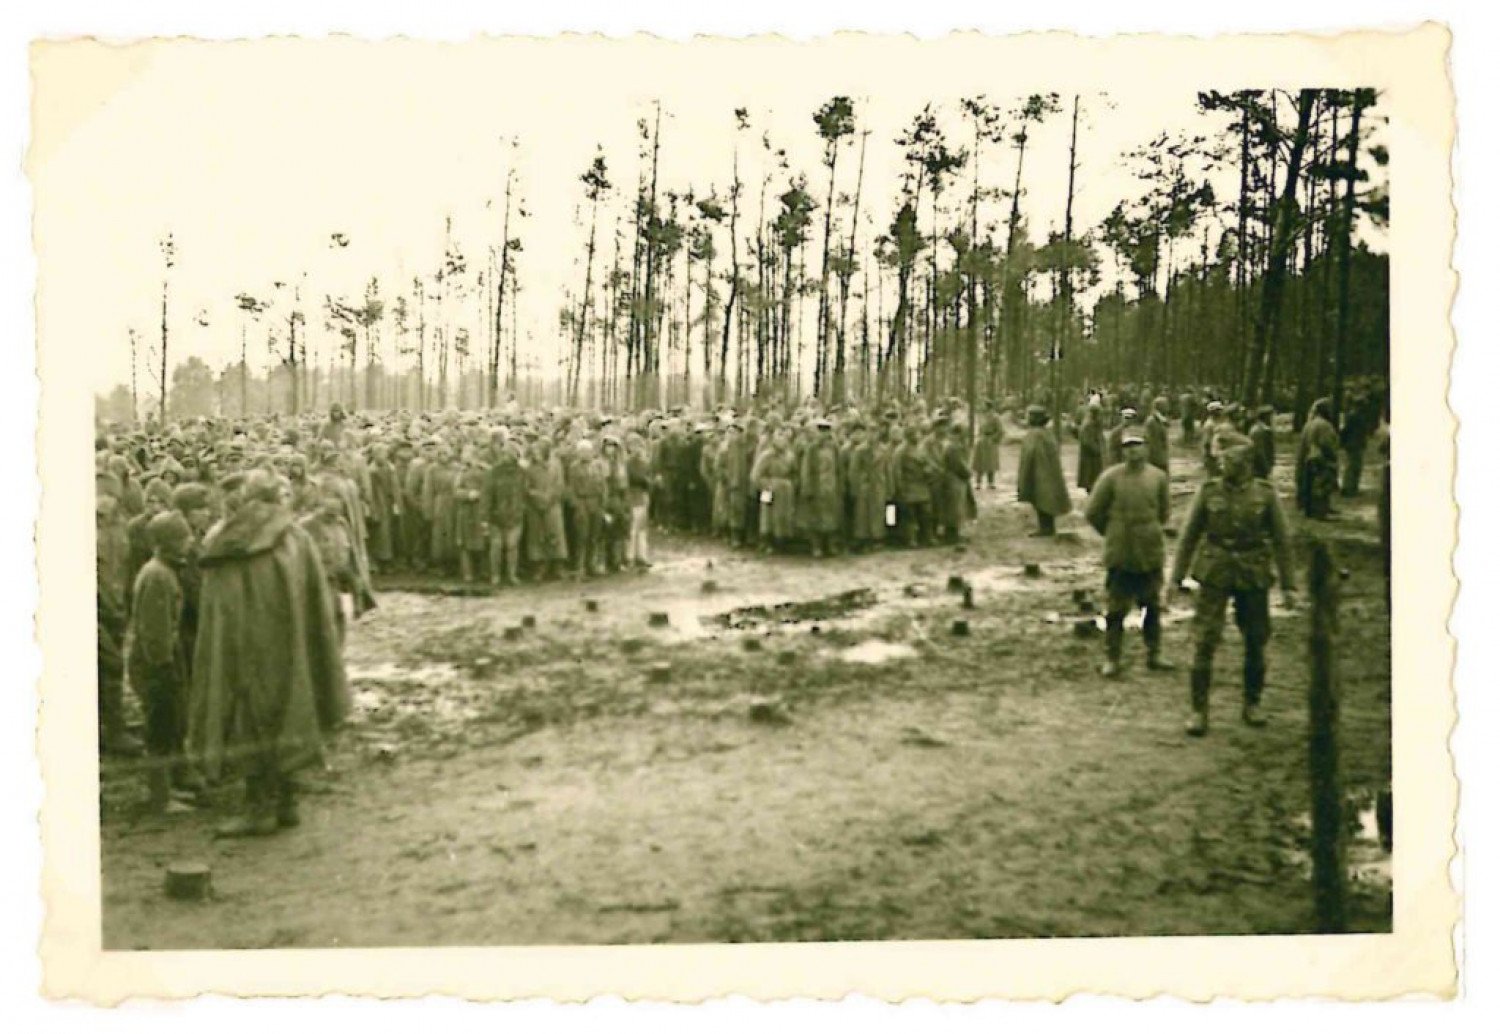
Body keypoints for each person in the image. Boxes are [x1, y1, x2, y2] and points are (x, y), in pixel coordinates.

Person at [189, 469, 348, 836]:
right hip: (289, 650)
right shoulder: (297, 537)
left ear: (245, 498)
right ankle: (287, 801)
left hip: (244, 654)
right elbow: (315, 603)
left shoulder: (223, 541)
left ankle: (259, 809)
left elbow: (217, 611)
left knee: (248, 720)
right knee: (290, 710)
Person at [1166, 435, 1296, 736]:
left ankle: (1252, 702)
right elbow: (1188, 537)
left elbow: (1282, 541)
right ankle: (1198, 710)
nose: (1226, 466)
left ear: (1248, 463)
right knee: (1205, 638)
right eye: (1223, 460)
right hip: (1215, 571)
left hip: (1253, 572)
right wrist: (1175, 579)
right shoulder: (1208, 491)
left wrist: (1289, 586)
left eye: (1233, 461)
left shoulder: (1265, 494)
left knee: (1256, 639)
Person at [1085, 429, 1173, 677]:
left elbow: (1164, 513)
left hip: (1149, 549)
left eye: (1137, 445)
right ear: (1122, 451)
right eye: (1128, 447)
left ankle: (1154, 653)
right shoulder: (1110, 478)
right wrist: (1113, 533)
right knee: (1116, 608)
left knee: (1153, 605)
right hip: (1121, 552)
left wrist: (1149, 529)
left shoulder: (1158, 477)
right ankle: (1112, 657)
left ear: (1146, 448)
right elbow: (1092, 512)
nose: (1133, 451)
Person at [128, 511, 194, 813]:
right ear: (169, 543)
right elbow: (154, 632)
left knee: (169, 725)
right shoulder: (157, 576)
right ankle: (161, 797)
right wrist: (165, 667)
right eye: (184, 538)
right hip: (156, 665)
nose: (190, 542)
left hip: (163, 660)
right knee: (160, 728)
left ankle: (169, 788)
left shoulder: (163, 571)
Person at [1016, 405, 1072, 537]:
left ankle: (1046, 528)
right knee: (1045, 499)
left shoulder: (1034, 434)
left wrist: (1025, 474)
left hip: (1039, 473)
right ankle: (1047, 527)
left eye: (1029, 416)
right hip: (1047, 472)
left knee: (1041, 499)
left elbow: (1030, 454)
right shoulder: (1047, 433)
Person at [1295, 397, 1340, 519]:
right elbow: (1327, 443)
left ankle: (1309, 510)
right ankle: (1320, 512)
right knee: (1321, 486)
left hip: (1309, 459)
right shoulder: (1325, 425)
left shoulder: (1308, 424)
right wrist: (1332, 456)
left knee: (1310, 485)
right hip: (1321, 460)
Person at [972, 401, 1004, 490]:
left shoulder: (995, 417)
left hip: (990, 440)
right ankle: (978, 482)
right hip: (982, 440)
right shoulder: (981, 416)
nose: (982, 407)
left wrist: (994, 439)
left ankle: (991, 482)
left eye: (984, 406)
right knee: (979, 462)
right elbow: (979, 428)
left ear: (989, 407)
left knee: (991, 463)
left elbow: (1000, 431)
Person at [1076, 401, 1105, 492]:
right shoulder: (1088, 425)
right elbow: (1086, 441)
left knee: (1094, 477)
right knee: (1090, 477)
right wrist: (1097, 449)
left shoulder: (1095, 424)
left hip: (1093, 457)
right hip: (1089, 457)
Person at [1249, 405, 1276, 479]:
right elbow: (1260, 451)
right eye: (1271, 416)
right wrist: (1267, 469)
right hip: (1259, 470)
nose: (1273, 419)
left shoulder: (1258, 429)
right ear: (1266, 417)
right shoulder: (1261, 431)